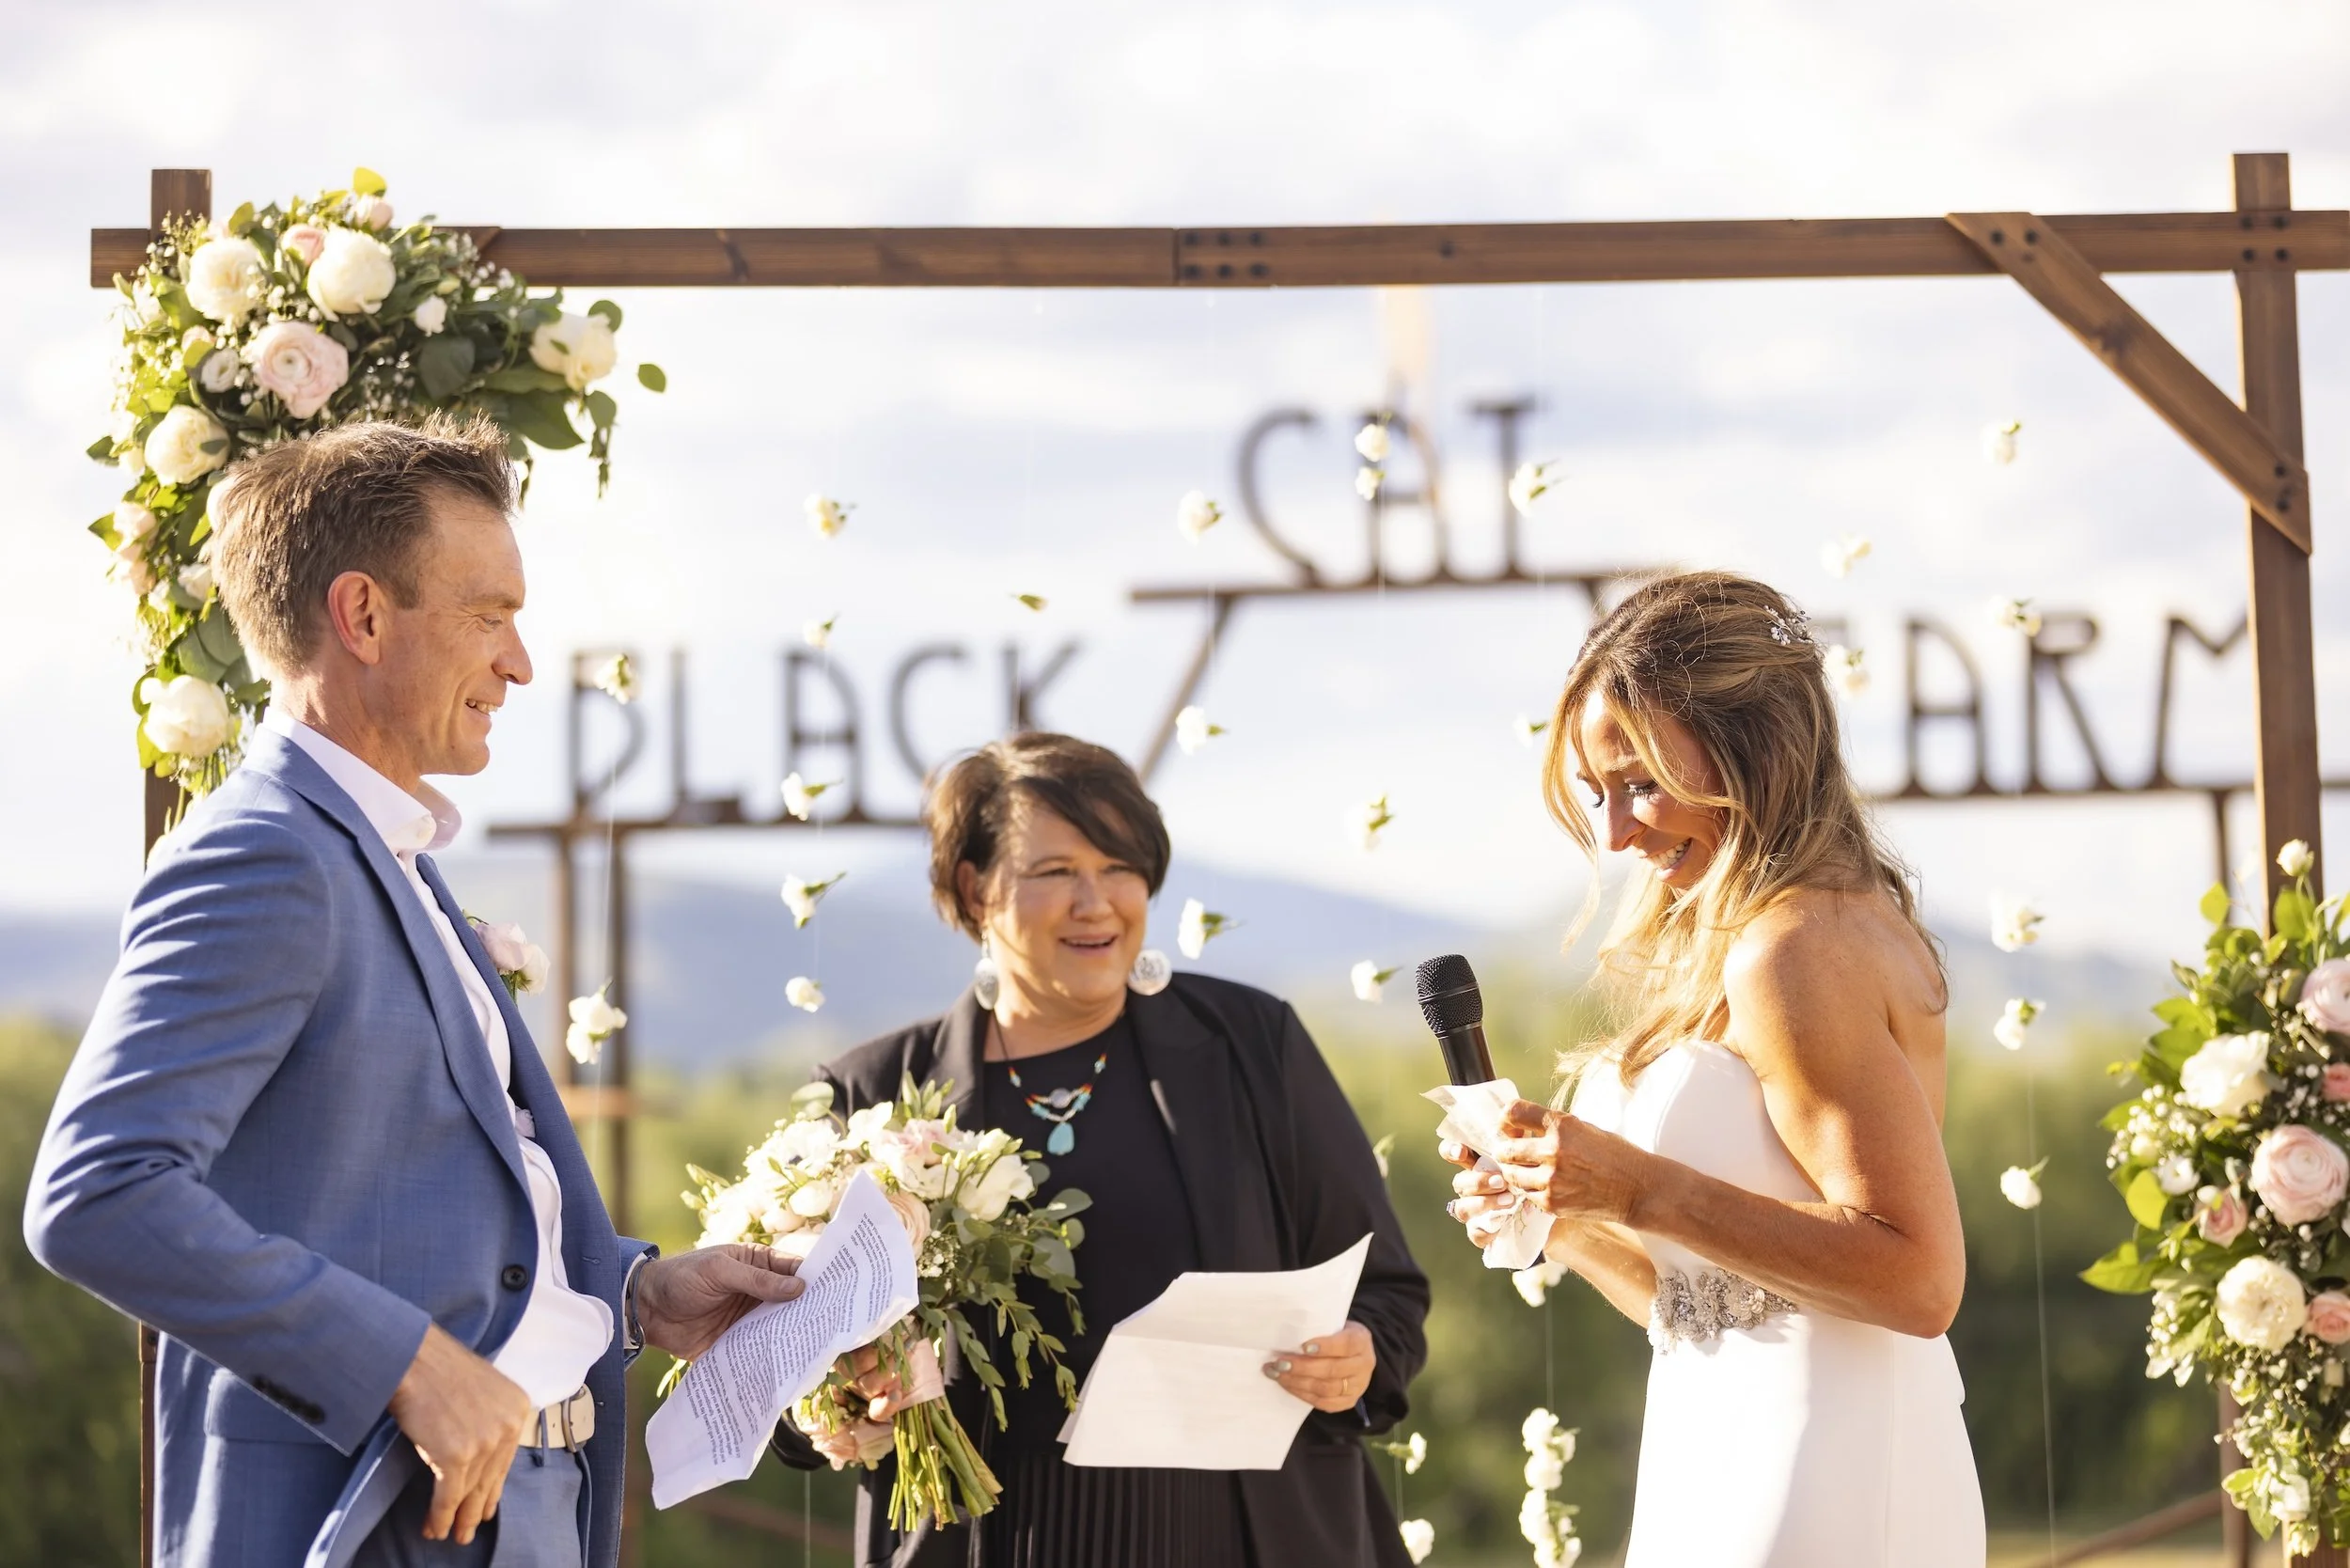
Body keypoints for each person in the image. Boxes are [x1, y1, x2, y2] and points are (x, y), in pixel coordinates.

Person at [24, 416, 806, 1568]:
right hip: (372, 1518)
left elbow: (409, 1202)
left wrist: (637, 1291)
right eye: (488, 616)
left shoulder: (392, 860)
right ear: (363, 616)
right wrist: (402, 1364)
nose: (519, 663)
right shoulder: (265, 855)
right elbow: (97, 1192)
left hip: (532, 1506)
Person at [770, 732, 1430, 1568]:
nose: (1097, 903)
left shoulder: (1251, 1044)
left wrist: (1358, 1356)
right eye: (1055, 872)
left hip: (1244, 1533)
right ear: (975, 889)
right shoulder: (873, 1095)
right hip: (992, 1541)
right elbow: (783, 1369)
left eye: (1119, 867)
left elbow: (1386, 1292)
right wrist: (832, 1406)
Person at [1444, 571, 1984, 1567]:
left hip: (1828, 1451)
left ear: (1754, 746)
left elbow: (1918, 1280)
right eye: (1597, 795)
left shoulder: (1798, 949)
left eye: (1640, 783)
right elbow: (1696, 1302)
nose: (1615, 834)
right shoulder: (1759, 936)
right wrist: (1560, 1216)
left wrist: (1634, 1186)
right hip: (1718, 1432)